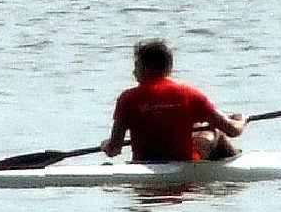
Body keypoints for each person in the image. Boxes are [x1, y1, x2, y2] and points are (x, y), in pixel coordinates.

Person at [104, 39, 244, 165]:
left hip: (143, 163)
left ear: (148, 68)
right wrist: (242, 120)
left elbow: (114, 150)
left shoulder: (127, 98)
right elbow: (233, 130)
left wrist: (106, 145)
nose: (133, 72)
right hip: (184, 164)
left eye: (136, 66)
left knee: (204, 129)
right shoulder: (190, 94)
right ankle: (234, 169)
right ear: (169, 68)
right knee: (215, 131)